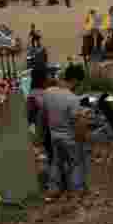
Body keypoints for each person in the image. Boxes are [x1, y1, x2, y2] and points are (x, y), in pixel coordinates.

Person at [41, 64, 92, 197]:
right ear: (75, 80)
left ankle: (53, 189)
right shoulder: (73, 99)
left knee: (56, 163)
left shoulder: (48, 93)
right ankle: (76, 189)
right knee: (76, 163)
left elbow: (43, 114)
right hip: (70, 137)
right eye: (79, 83)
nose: (78, 86)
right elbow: (78, 123)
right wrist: (83, 138)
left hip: (54, 135)